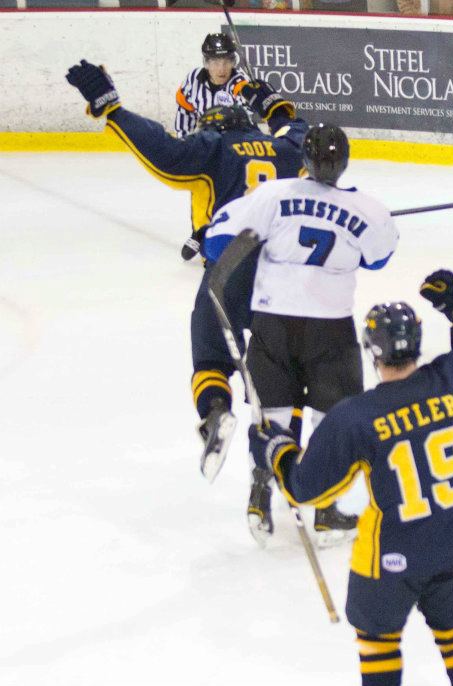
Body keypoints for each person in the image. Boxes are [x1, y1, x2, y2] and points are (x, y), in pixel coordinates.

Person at [65, 59, 310, 493]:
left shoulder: (214, 146)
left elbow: (164, 152)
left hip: (231, 262)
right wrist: (274, 106)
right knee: (278, 366)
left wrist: (112, 110)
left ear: (214, 127)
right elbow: (303, 135)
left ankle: (216, 410)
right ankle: (281, 446)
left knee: (211, 352)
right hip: (284, 271)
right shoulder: (283, 151)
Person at [248, 269, 453, 686]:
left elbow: (306, 488)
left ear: (372, 351)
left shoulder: (356, 417)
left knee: (378, 641)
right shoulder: (451, 383)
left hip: (396, 551)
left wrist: (275, 448)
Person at [202, 123, 399, 546]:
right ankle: (326, 511)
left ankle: (259, 494)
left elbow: (217, 242)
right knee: (332, 417)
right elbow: (378, 259)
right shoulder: (369, 209)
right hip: (331, 326)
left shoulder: (273, 194)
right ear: (344, 163)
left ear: (305, 161)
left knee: (270, 414)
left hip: (274, 323)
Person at [174, 33, 248, 139]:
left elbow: (246, 124)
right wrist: (183, 144)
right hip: (206, 144)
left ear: (233, 62)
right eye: (215, 63)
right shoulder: (193, 79)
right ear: (206, 63)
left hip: (233, 146)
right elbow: (184, 113)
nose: (221, 69)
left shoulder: (240, 83)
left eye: (226, 62)